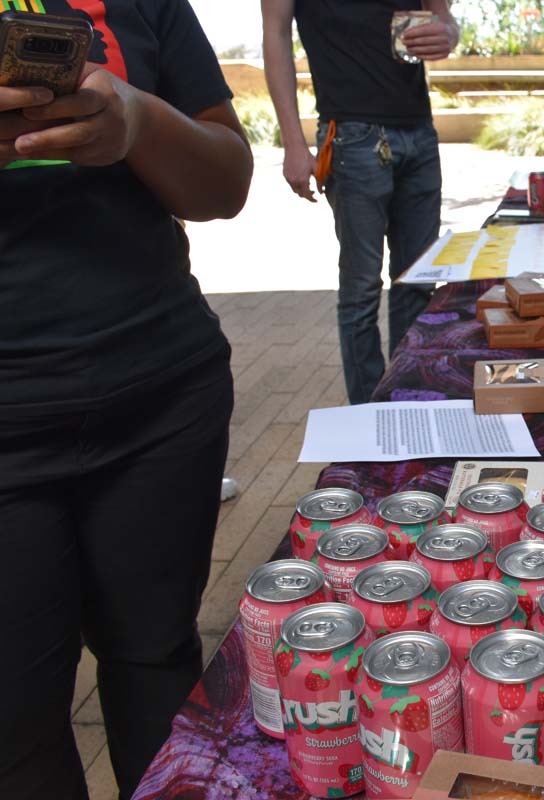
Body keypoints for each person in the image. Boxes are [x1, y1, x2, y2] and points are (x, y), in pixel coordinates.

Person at [0, 2, 253, 798]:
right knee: (17, 723)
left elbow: (225, 180)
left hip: (163, 394)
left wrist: (137, 119)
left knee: (157, 662)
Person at [262, 0, 459, 404]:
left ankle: (407, 398)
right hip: (351, 136)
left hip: (419, 131)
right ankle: (369, 412)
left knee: (417, 281)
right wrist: (293, 143)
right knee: (361, 290)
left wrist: (447, 33)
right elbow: (276, 34)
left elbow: (444, 18)